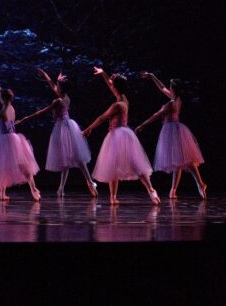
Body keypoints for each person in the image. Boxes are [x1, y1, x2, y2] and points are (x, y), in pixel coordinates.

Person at [82, 68, 160, 205]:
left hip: (117, 135)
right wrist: (103, 74)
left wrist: (89, 129)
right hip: (125, 135)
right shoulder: (124, 99)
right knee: (126, 165)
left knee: (125, 165)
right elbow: (112, 87)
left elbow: (102, 118)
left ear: (116, 87)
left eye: (113, 84)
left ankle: (148, 190)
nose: (111, 85)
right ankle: (147, 191)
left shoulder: (117, 105)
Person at [15, 68, 97, 197]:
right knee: (70, 159)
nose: (56, 87)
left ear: (61, 88)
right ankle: (65, 187)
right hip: (69, 125)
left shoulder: (57, 101)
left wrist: (25, 118)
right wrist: (46, 76)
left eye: (58, 85)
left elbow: (42, 112)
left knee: (71, 159)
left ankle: (87, 182)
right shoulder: (65, 97)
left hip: (63, 128)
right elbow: (53, 86)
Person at [135, 72, 206, 199]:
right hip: (176, 129)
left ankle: (199, 183)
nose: (168, 88)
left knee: (187, 160)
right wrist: (152, 76)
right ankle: (173, 190)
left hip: (172, 131)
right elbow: (162, 88)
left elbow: (155, 115)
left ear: (173, 89)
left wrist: (142, 125)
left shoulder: (171, 103)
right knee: (178, 160)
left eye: (170, 87)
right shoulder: (177, 99)